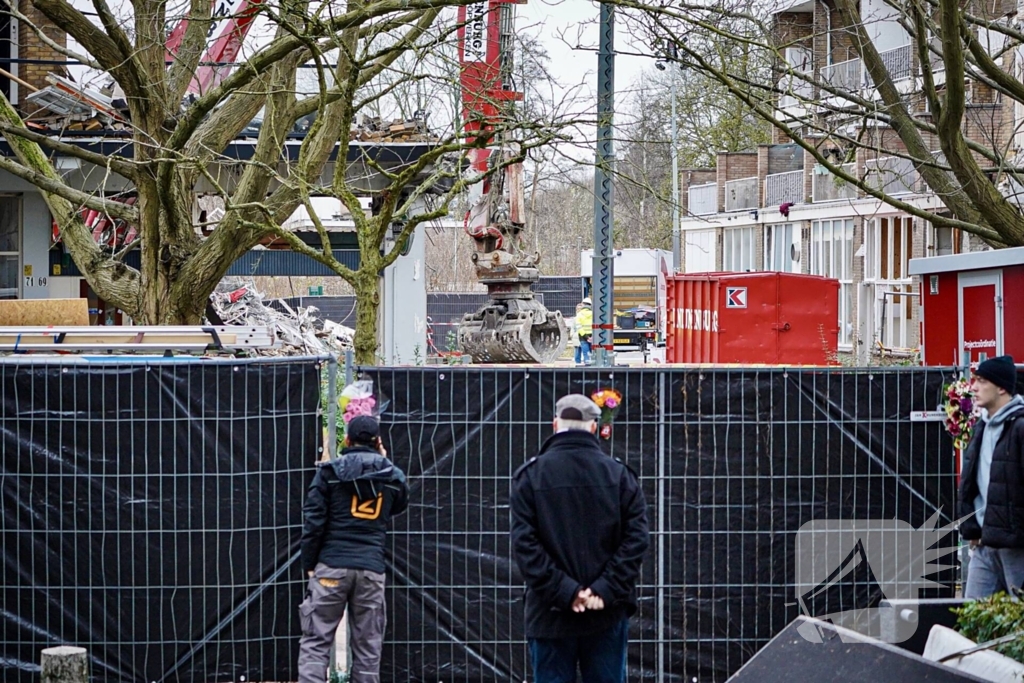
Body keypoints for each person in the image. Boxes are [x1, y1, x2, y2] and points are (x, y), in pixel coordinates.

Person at [510, 394, 649, 683]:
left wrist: (566, 592)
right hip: (605, 613)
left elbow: (526, 547)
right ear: (594, 428)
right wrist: (603, 590)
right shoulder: (620, 477)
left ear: (554, 425)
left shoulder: (530, 477)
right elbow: (636, 541)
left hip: (549, 614)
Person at [298, 416, 410, 683]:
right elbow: (399, 505)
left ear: (347, 440)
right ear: (378, 442)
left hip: (331, 567)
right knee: (368, 649)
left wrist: (310, 563)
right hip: (371, 570)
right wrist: (384, 460)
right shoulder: (393, 477)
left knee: (316, 643)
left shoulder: (329, 473)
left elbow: (313, 523)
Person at [958, 355, 1024, 599]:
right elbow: (971, 482)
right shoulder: (982, 425)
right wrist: (972, 529)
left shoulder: (1020, 426)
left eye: (982, 381)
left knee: (1018, 618)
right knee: (972, 617)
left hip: (1015, 547)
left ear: (1002, 387)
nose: (973, 387)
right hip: (984, 543)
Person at [575, 298, 593, 365]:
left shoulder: (579, 314)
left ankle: (587, 369)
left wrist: (586, 337)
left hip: (583, 337)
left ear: (583, 304)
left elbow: (578, 327)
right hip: (593, 338)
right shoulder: (594, 314)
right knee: (593, 354)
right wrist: (591, 337)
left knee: (586, 354)